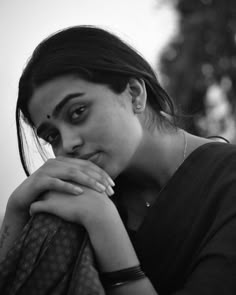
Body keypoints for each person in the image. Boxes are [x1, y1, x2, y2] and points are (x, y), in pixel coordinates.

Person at [1, 25, 236, 295]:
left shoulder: (226, 181)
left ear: (134, 93)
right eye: (52, 136)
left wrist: (105, 227)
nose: (68, 144)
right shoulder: (75, 201)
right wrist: (16, 210)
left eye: (78, 112)